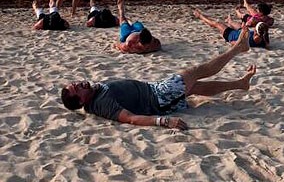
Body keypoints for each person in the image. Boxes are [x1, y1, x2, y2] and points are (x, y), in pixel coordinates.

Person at [60, 27, 256, 130]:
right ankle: (238, 48)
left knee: (195, 87)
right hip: (159, 96)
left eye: (76, 83)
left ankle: (240, 84)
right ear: (81, 100)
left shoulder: (94, 95)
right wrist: (164, 122)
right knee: (196, 70)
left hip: (156, 93)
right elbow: (130, 119)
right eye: (78, 88)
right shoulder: (101, 103)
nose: (80, 83)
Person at [194, 8, 269, 48]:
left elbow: (234, 43)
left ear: (256, 31)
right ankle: (229, 21)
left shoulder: (247, 38)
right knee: (237, 24)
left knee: (216, 24)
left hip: (229, 34)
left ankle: (200, 16)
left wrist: (230, 41)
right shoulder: (264, 39)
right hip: (240, 32)